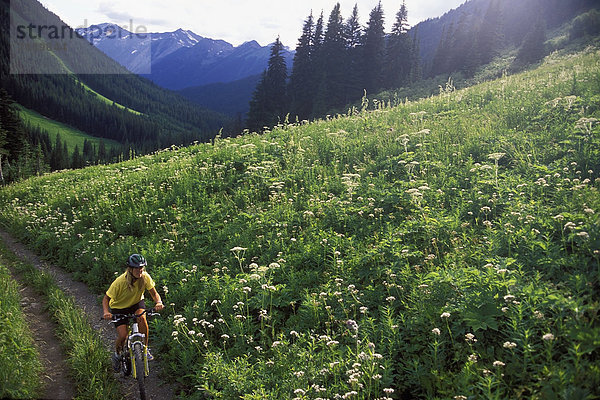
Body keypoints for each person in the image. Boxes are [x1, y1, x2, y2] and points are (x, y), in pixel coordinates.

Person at [102, 253, 164, 372]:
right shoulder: (120, 282)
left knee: (142, 319)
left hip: (136, 303)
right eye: (136, 268)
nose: (139, 270)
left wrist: (158, 302)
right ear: (130, 269)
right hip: (119, 307)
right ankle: (117, 355)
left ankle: (145, 349)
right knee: (123, 335)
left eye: (141, 267)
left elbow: (154, 293)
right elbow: (106, 298)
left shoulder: (145, 277)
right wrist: (106, 312)